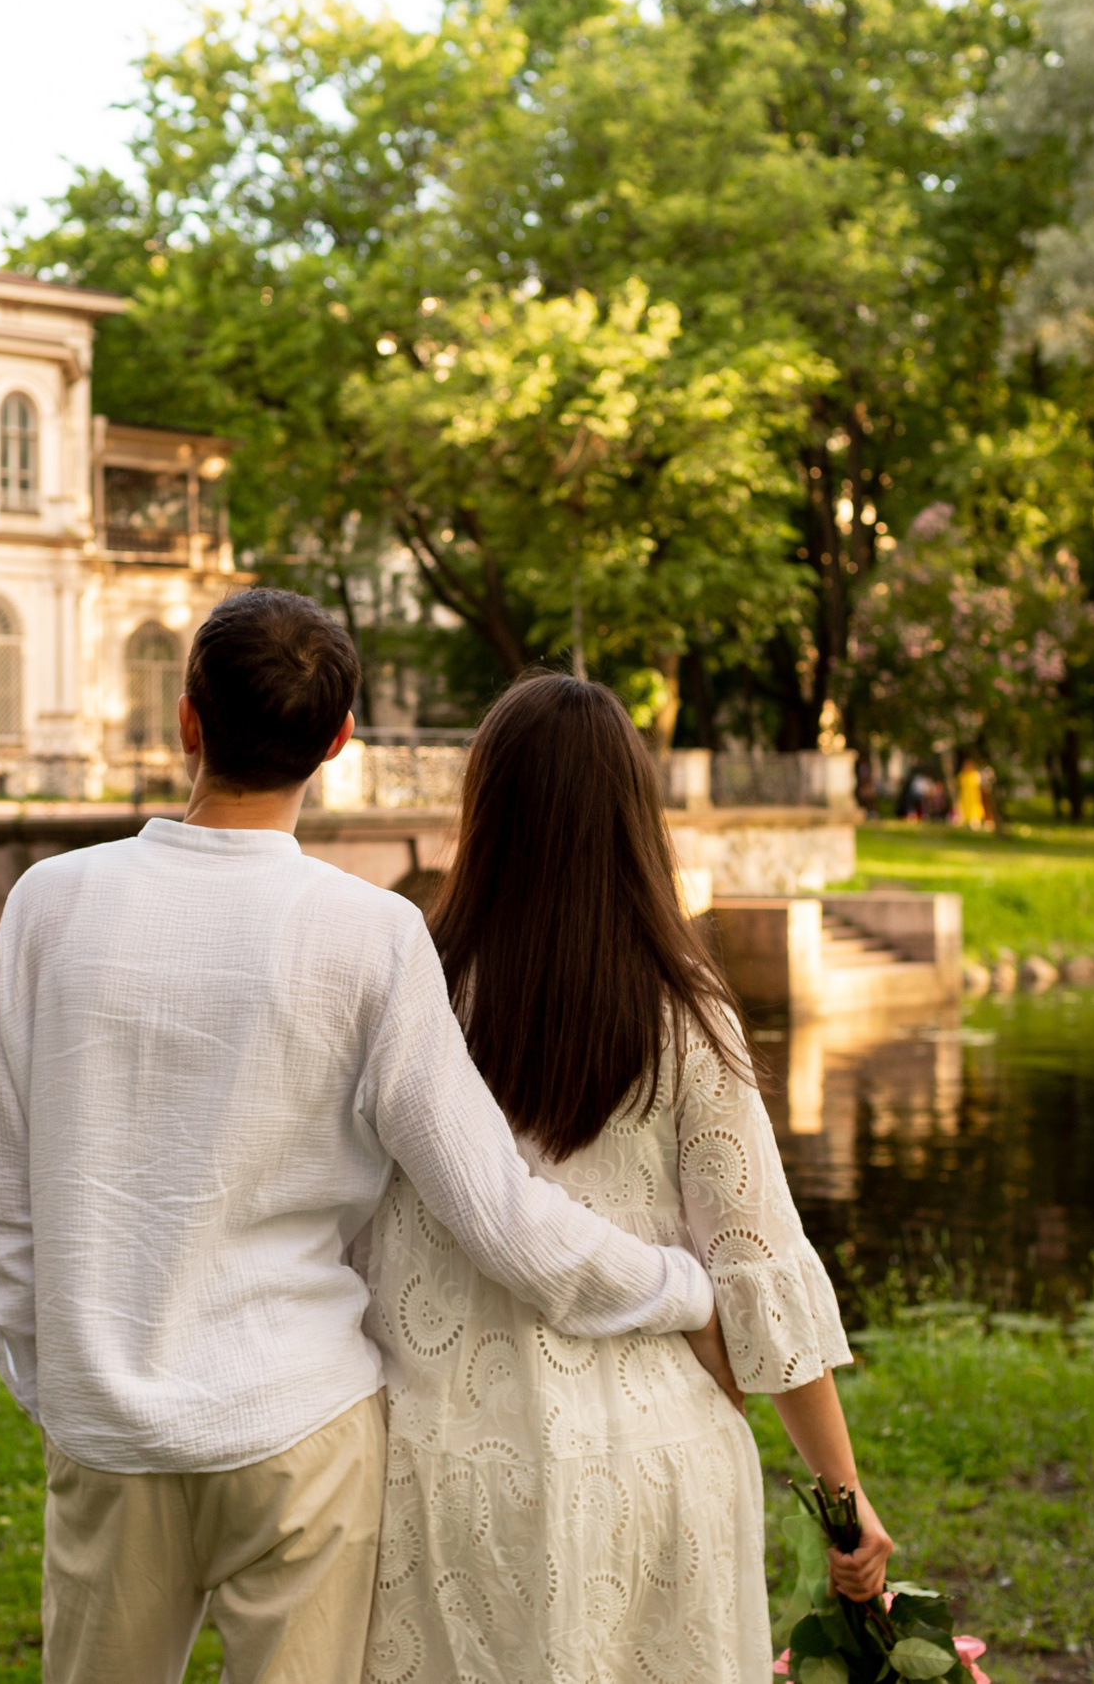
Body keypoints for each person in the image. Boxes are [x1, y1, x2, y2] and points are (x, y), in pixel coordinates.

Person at [0, 590, 725, 1684]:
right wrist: (685, 1289)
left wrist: (65, 1385)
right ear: (337, 743)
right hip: (300, 1428)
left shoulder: (48, 904)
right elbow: (498, 1214)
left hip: (107, 1438)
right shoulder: (372, 934)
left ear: (186, 722)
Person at [361, 671, 891, 1682]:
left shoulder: (410, 994)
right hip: (655, 1459)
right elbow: (757, 1268)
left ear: (485, 809)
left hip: (432, 1455)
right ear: (634, 817)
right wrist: (843, 1495)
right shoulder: (684, 1015)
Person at [954, 756, 988, 831]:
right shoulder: (962, 775)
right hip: (965, 795)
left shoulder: (975, 774)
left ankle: (975, 822)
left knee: (975, 808)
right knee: (964, 807)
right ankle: (964, 820)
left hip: (974, 795)